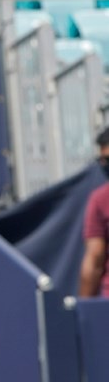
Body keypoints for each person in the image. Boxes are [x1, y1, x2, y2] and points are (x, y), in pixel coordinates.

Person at [79, 127, 109, 297]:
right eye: (103, 160)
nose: (105, 165)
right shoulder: (100, 199)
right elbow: (94, 259)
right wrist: (84, 307)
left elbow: (94, 260)